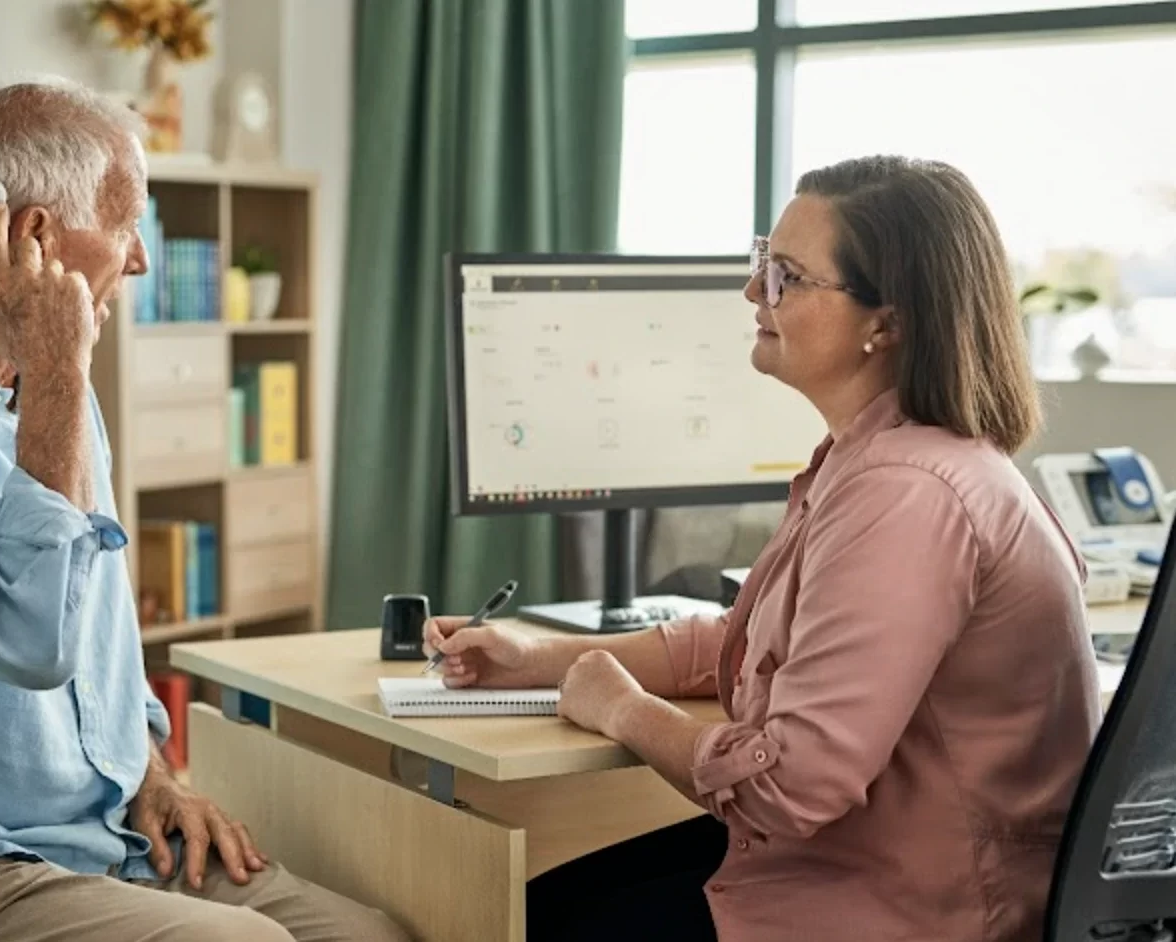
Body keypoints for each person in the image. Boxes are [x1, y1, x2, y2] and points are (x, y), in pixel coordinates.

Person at [0, 78, 409, 942]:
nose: (138, 259)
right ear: (32, 237)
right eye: (127, 222)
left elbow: (97, 634)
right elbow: (34, 638)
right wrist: (58, 373)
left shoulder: (50, 389)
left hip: (105, 841)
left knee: (372, 937)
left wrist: (155, 775)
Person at [425, 155, 1099, 942]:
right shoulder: (873, 460)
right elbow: (750, 645)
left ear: (886, 323)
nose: (753, 293)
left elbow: (790, 784)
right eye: (761, 262)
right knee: (536, 906)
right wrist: (537, 660)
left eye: (786, 278)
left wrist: (624, 710)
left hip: (919, 909)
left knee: (535, 922)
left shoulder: (907, 493)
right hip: (861, 861)